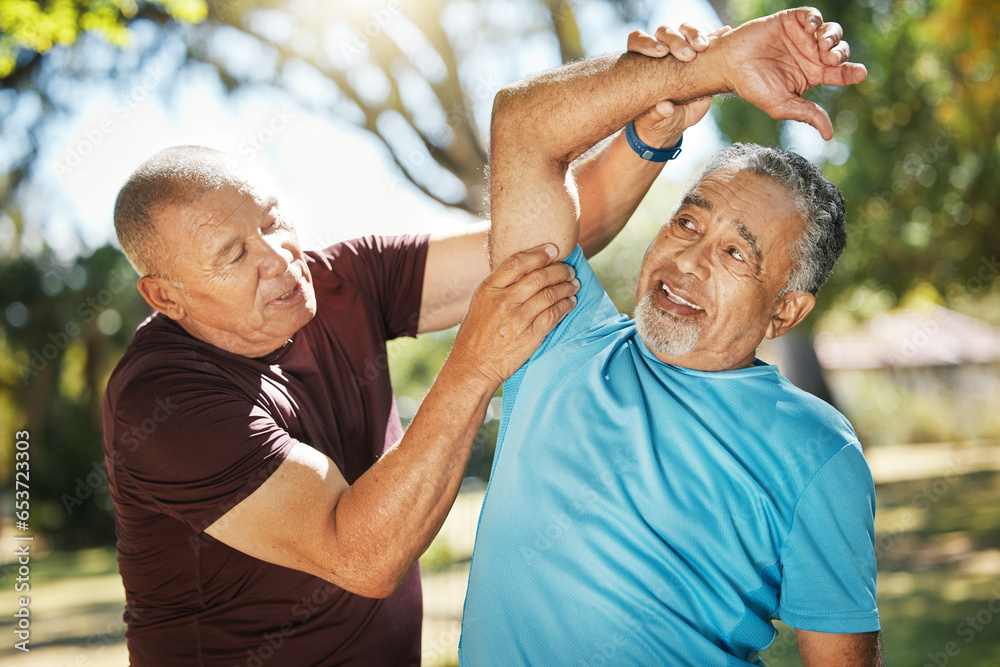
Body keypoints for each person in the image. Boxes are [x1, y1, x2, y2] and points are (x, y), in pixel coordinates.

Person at [100, 26, 715, 663]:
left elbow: (543, 238)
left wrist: (651, 134)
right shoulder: (161, 400)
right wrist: (476, 364)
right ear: (165, 297)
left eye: (271, 219)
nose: (279, 257)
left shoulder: (340, 280)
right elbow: (359, 554)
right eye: (233, 254)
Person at [460, 8, 882, 666]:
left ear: (785, 312)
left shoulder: (818, 451)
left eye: (737, 256)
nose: (689, 260)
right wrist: (705, 69)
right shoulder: (555, 329)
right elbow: (520, 127)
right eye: (688, 223)